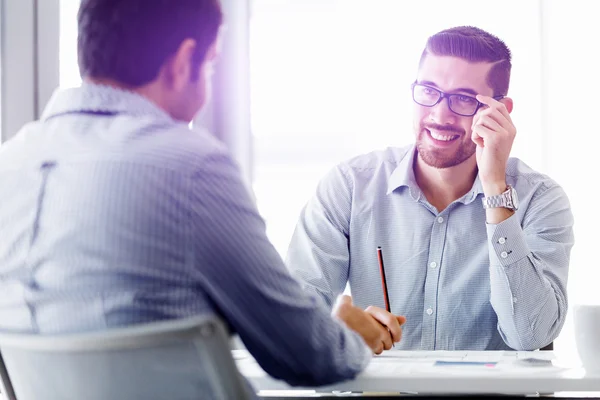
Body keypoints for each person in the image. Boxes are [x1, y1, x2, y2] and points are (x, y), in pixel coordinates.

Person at [0, 0, 407, 393]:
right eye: (211, 65)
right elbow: (307, 354)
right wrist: (350, 336)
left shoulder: (10, 162)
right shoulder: (189, 166)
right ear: (182, 62)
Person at [286, 26, 574, 351]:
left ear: (500, 111)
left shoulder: (541, 199)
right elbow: (291, 319)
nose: (440, 115)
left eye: (464, 99)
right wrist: (334, 326)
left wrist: (495, 189)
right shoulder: (350, 186)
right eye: (428, 91)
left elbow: (530, 335)